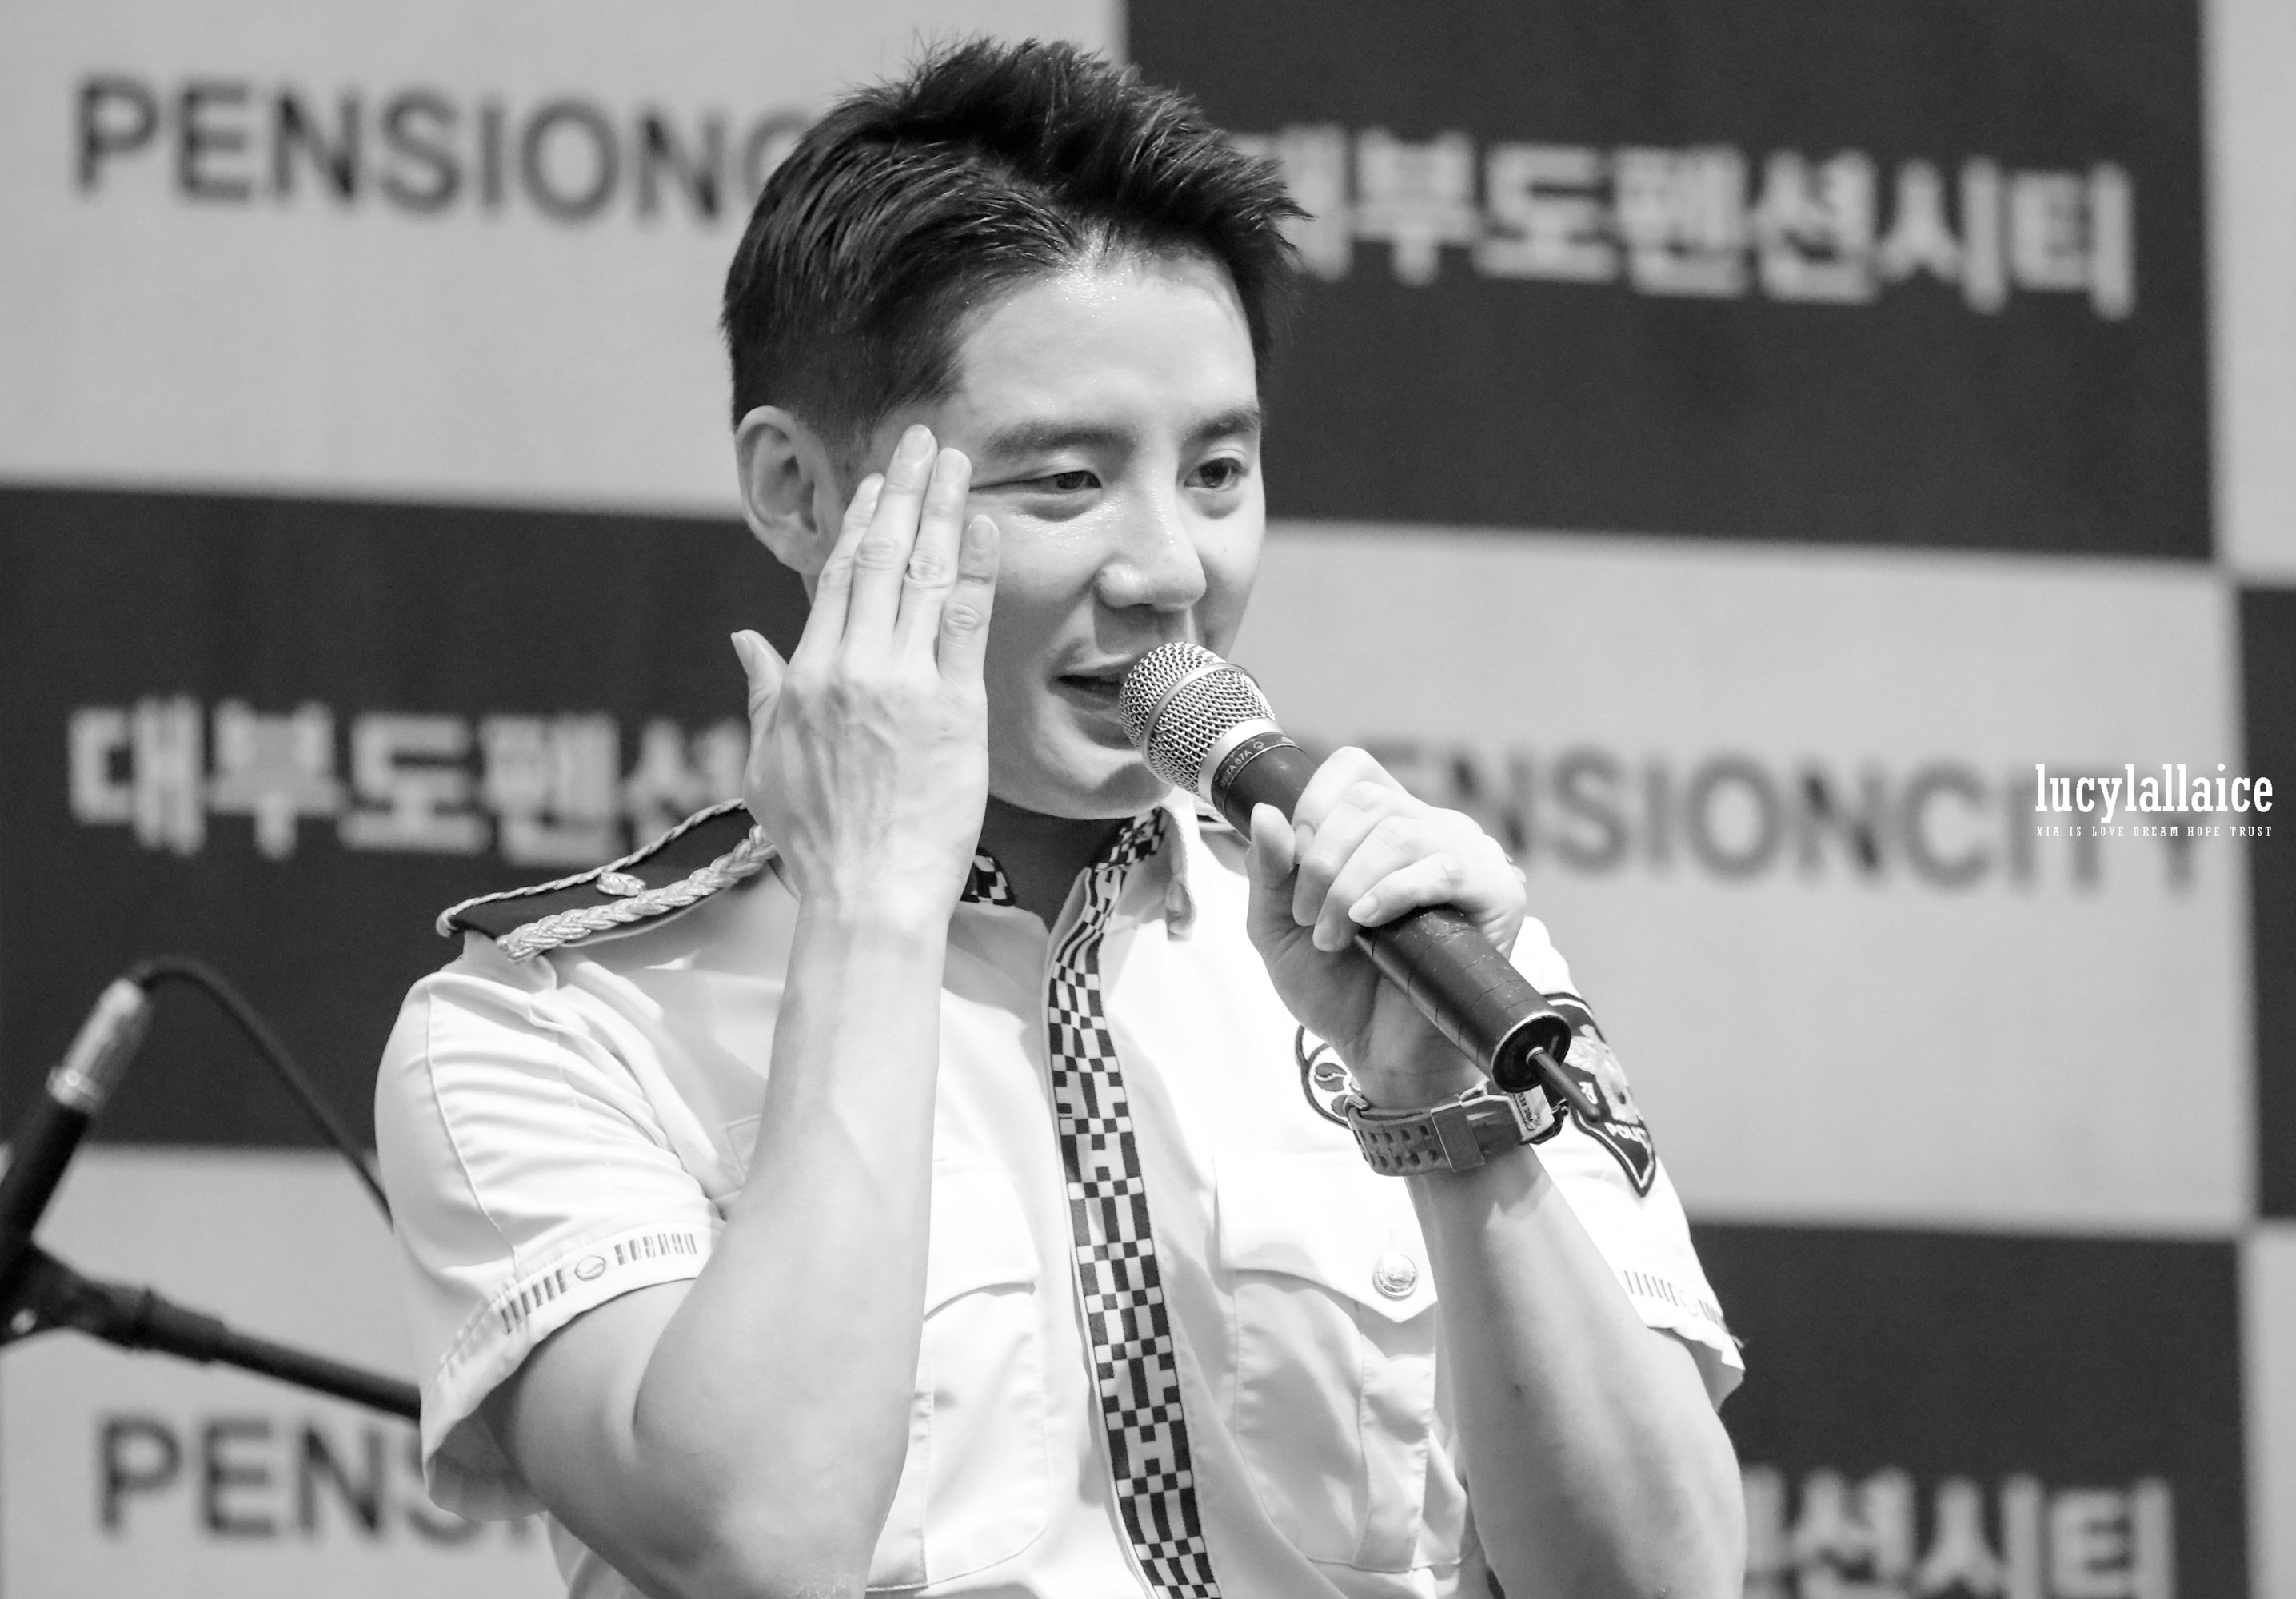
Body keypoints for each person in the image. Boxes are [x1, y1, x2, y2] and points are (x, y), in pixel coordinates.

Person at [376, 38, 1744, 1599]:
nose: (1170, 569)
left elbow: (1666, 1582)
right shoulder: (550, 1027)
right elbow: (755, 1543)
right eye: (1066, 482)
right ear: (799, 492)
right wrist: (873, 908)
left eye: (1218, 471)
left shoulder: (1405, 948)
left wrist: (1450, 1125)